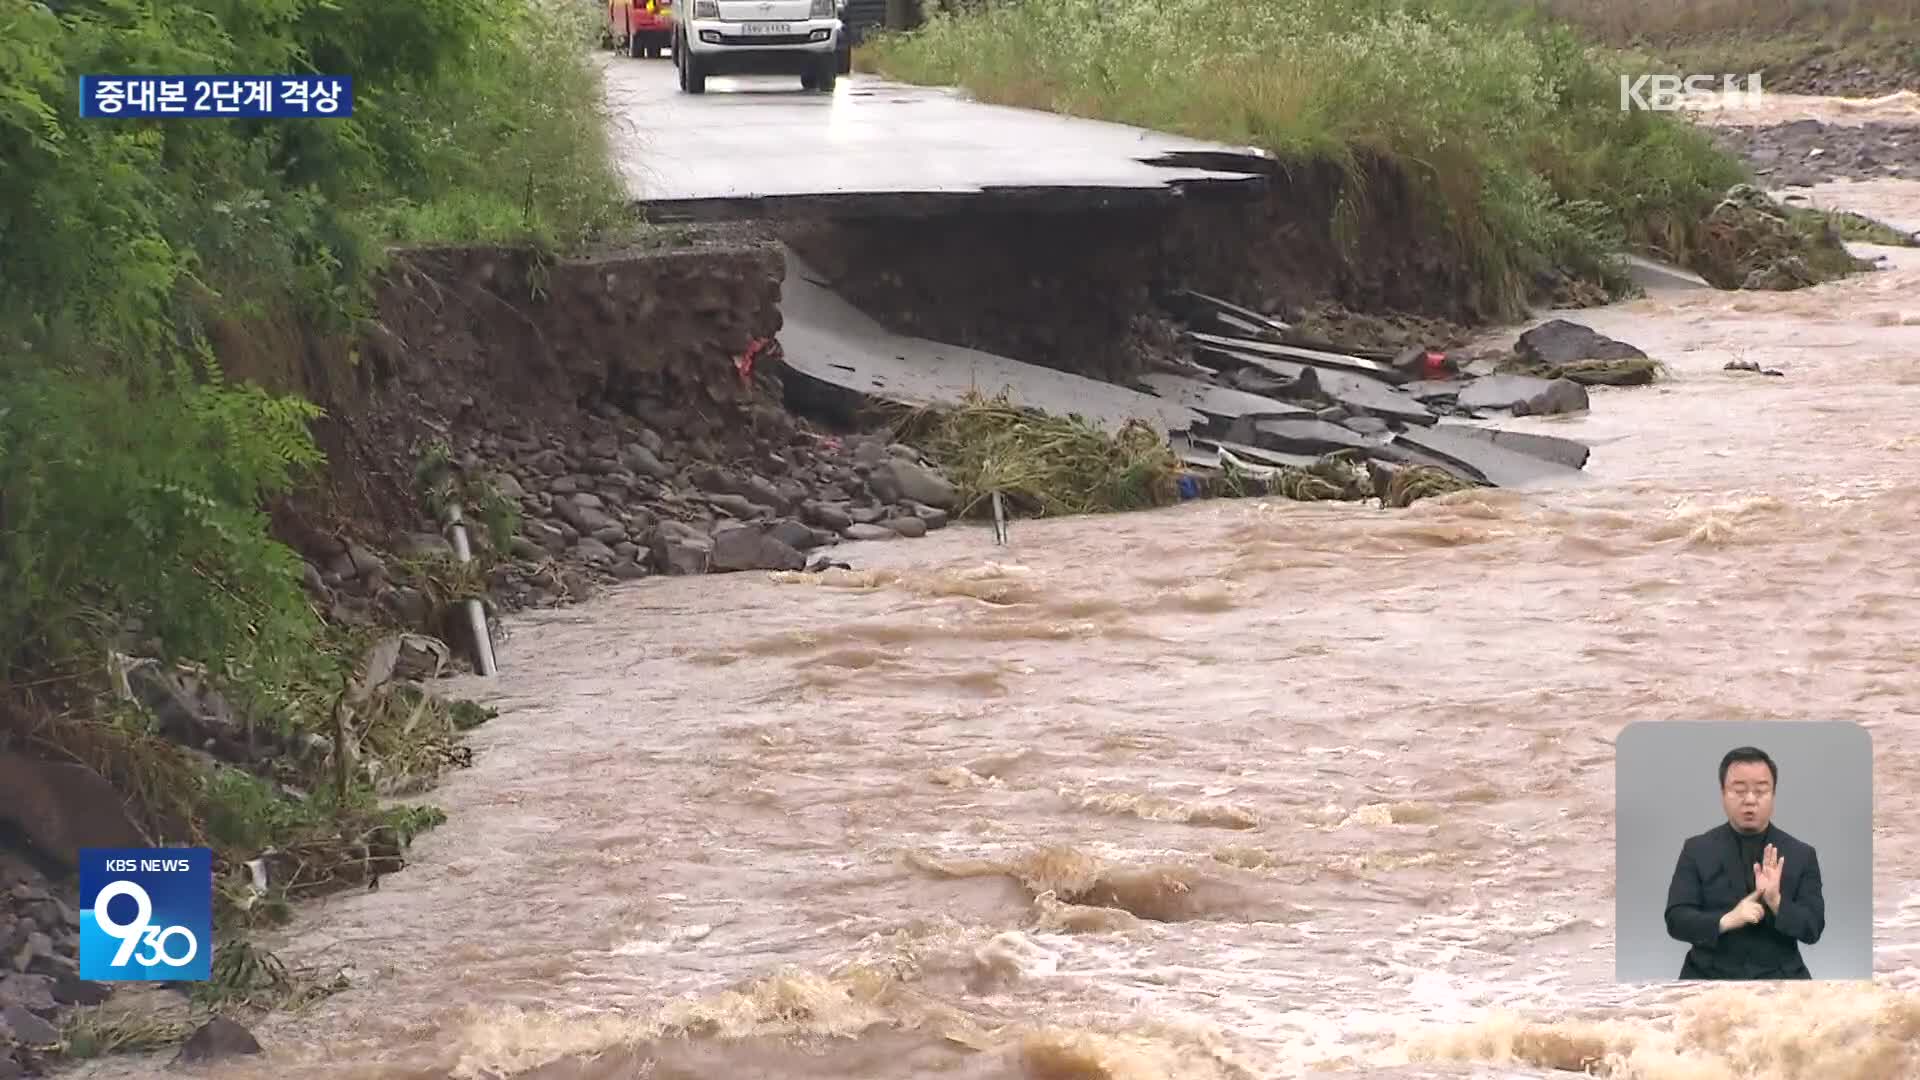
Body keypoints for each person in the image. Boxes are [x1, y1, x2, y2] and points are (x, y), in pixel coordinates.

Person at [1663, 746, 1825, 979]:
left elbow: (1813, 929)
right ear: (1723, 793)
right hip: (1707, 976)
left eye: (1761, 791)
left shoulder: (1801, 854)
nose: (1750, 800)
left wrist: (1776, 901)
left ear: (1774, 794)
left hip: (1781, 978)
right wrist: (1727, 920)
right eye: (1739, 790)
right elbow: (1676, 920)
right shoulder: (1697, 849)